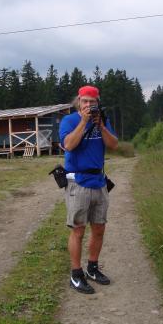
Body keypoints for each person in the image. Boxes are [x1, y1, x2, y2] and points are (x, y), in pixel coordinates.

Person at [59, 85, 118, 294]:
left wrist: (101, 125)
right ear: (78, 101)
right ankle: (76, 275)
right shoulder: (69, 121)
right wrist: (84, 121)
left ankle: (92, 268)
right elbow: (68, 145)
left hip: (99, 181)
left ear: (98, 103)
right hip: (78, 182)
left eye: (92, 102)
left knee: (99, 228)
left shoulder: (102, 120)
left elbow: (114, 145)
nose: (88, 105)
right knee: (78, 230)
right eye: (85, 101)